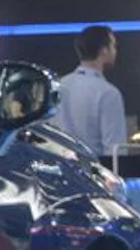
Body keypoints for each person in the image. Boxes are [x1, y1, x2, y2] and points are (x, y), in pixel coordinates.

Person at [51, 25, 127, 163]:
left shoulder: (57, 87)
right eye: (114, 46)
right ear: (104, 51)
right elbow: (115, 151)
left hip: (59, 173)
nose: (115, 52)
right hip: (93, 176)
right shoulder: (108, 93)